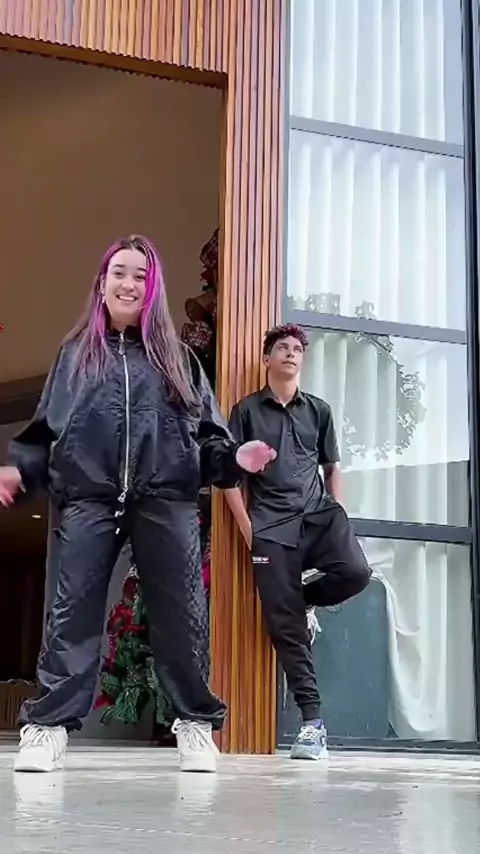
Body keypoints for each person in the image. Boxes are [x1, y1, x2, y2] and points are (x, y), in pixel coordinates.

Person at [0, 235, 275, 774]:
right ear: (102, 284)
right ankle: (48, 727)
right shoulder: (76, 355)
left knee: (182, 614)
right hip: (88, 497)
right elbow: (47, 429)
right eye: (120, 273)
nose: (129, 284)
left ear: (154, 290)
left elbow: (208, 438)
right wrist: (20, 468)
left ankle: (194, 724)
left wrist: (235, 459)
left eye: (141, 276)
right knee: (72, 610)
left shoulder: (178, 358)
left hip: (165, 497)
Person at [225, 324, 371, 761]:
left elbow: (332, 467)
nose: (290, 354)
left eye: (296, 349)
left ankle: (300, 599)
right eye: (282, 348)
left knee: (356, 572)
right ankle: (313, 724)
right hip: (271, 529)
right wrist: (250, 531)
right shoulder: (246, 411)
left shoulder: (318, 410)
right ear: (266, 359)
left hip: (319, 518)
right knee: (286, 626)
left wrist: (337, 511)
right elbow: (228, 479)